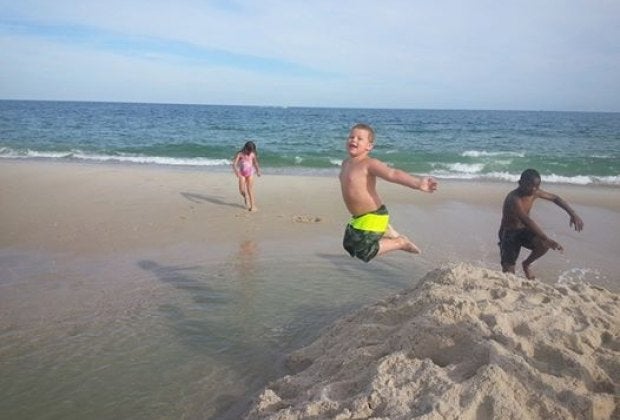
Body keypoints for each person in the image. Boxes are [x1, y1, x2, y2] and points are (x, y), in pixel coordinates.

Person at [339, 123, 438, 262]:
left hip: (374, 215)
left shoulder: (369, 164)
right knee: (349, 245)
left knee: (364, 252)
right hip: (359, 217)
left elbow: (392, 174)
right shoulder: (345, 163)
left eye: (360, 138)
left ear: (369, 146)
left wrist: (418, 183)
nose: (354, 140)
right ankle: (386, 231)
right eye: (351, 137)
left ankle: (400, 242)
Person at [498, 168, 584, 279]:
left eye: (537, 186)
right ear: (520, 183)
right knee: (509, 275)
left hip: (524, 230)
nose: (534, 189)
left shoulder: (534, 193)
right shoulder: (513, 198)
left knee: (543, 245)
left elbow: (555, 198)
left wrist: (572, 214)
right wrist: (545, 238)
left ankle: (526, 264)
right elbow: (526, 219)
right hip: (509, 234)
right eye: (530, 186)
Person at [232, 141, 261, 211]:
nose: (249, 152)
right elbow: (234, 164)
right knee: (241, 190)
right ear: (245, 148)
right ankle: (245, 196)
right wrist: (236, 172)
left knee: (249, 189)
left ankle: (253, 206)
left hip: (250, 173)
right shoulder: (240, 154)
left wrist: (258, 171)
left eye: (251, 151)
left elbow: (255, 163)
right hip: (242, 174)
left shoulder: (252, 154)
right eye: (248, 150)